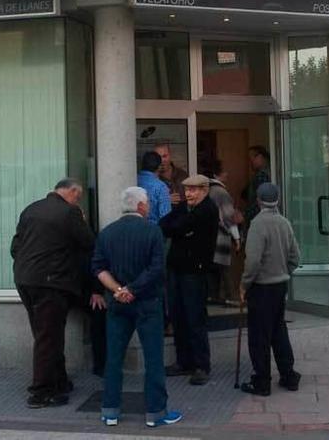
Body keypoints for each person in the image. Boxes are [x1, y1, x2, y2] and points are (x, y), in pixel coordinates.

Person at [92, 186, 183, 428]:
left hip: (117, 305)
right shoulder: (152, 231)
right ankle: (156, 412)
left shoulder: (107, 233)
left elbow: (98, 267)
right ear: (141, 206)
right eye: (148, 204)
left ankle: (110, 411)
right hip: (147, 303)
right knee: (153, 358)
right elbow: (156, 269)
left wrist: (117, 291)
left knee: (114, 358)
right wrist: (132, 289)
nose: (149, 207)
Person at [11, 178, 97, 408]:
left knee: (45, 334)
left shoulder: (31, 209)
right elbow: (88, 242)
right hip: (51, 282)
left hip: (24, 280)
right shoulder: (69, 213)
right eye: (77, 197)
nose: (77, 201)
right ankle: (41, 392)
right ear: (70, 191)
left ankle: (59, 381)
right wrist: (83, 220)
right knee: (49, 338)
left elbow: (15, 247)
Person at [239, 182, 301, 397]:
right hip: (279, 285)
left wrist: (244, 284)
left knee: (259, 335)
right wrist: (284, 272)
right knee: (278, 331)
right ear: (278, 200)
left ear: (258, 200)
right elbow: (296, 256)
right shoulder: (284, 222)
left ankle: (262, 381)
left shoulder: (257, 224)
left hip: (262, 286)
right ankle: (288, 375)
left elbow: (253, 261)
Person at [159, 174, 219, 386]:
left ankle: (201, 365)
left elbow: (178, 227)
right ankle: (183, 362)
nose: (189, 194)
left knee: (195, 318)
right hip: (176, 269)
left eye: (194, 190)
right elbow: (164, 224)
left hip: (195, 271)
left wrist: (179, 229)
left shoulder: (207, 210)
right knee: (178, 316)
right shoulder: (185, 207)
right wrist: (179, 229)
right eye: (187, 190)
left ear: (204, 190)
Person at [203, 159, 242, 304]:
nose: (227, 174)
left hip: (208, 236)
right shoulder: (221, 192)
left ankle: (213, 296)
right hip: (221, 237)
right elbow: (229, 218)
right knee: (225, 269)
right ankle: (231, 297)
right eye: (224, 171)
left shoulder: (207, 190)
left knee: (212, 270)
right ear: (217, 174)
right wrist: (237, 239)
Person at [137, 151, 172, 225]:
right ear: (159, 167)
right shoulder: (161, 187)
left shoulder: (132, 180)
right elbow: (166, 217)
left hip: (134, 229)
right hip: (154, 231)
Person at [243, 146, 271, 228]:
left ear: (260, 157)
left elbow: (261, 200)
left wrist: (245, 215)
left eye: (251, 159)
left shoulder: (262, 176)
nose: (250, 162)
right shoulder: (265, 174)